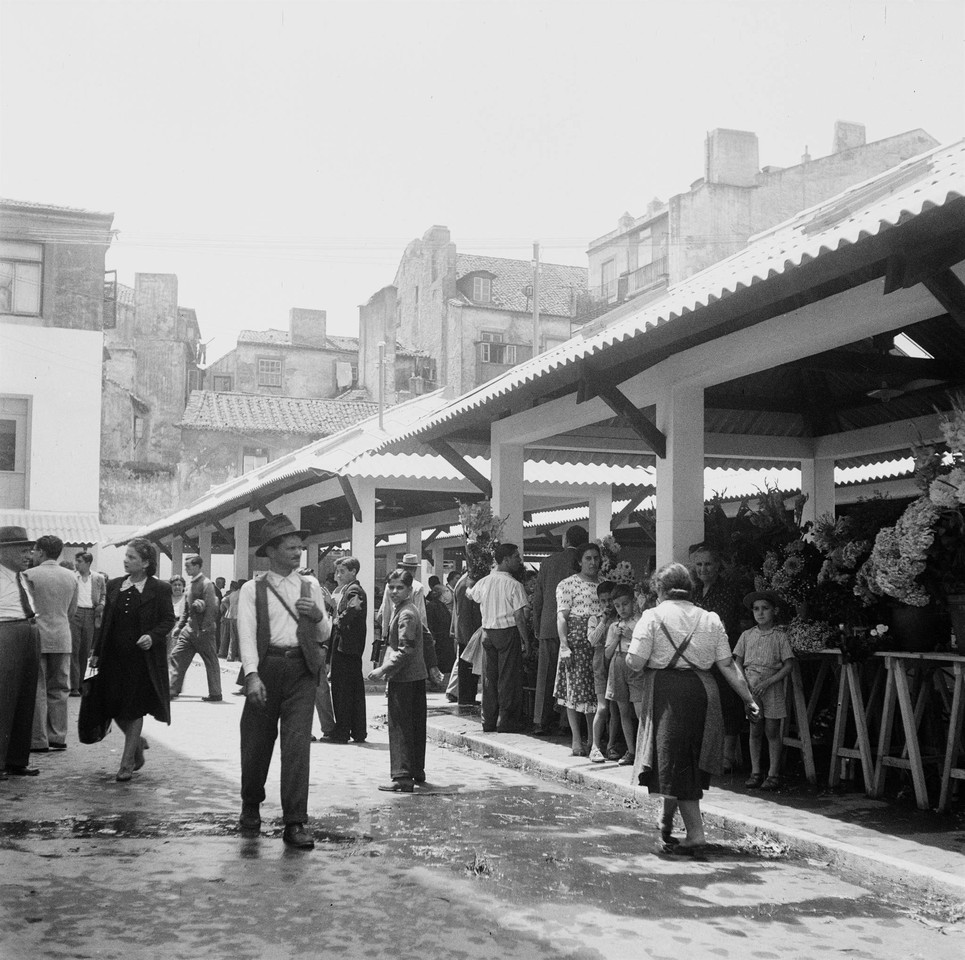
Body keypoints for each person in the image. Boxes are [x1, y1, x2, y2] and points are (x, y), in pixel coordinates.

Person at [626, 563, 759, 855]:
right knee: (684, 757)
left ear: (660, 590)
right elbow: (726, 664)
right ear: (690, 588)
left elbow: (635, 662)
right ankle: (667, 818)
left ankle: (696, 834)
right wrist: (748, 698)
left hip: (668, 693)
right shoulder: (710, 619)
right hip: (704, 692)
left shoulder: (652, 616)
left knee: (677, 759)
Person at [236, 515, 331, 849]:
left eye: (300, 547)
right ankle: (251, 805)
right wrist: (251, 675)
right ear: (271, 551)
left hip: (301, 672)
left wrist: (318, 616)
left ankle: (295, 823)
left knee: (296, 748)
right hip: (266, 669)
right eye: (290, 547)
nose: (298, 553)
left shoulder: (311, 587)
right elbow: (246, 635)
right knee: (256, 744)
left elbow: (324, 633)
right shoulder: (252, 589)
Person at [90, 539, 176, 782]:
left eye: (132, 558)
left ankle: (127, 763)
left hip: (141, 661)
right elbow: (106, 623)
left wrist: (152, 636)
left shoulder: (159, 589)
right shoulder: (115, 585)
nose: (125, 560)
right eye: (126, 556)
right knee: (112, 706)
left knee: (134, 707)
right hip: (112, 657)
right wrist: (95, 652)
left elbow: (169, 619)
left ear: (146, 563)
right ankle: (136, 742)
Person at [367, 568, 443, 792]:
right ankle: (416, 771)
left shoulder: (406, 613)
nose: (394, 591)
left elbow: (406, 649)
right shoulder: (406, 610)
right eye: (391, 587)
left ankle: (402, 776)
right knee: (415, 726)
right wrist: (431, 665)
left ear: (410, 589)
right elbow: (427, 638)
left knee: (400, 726)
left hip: (404, 678)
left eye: (400, 587)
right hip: (415, 677)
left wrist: (383, 670)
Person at [690, 543, 746, 772]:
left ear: (717, 565)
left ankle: (727, 756)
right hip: (697, 656)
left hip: (722, 655)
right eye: (699, 564)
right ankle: (704, 753)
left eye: (708, 564)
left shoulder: (728, 591)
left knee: (727, 704)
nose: (703, 569)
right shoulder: (692, 591)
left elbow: (721, 624)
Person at [468, 543, 532, 734]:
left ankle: (488, 721)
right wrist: (525, 641)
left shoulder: (484, 582)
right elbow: (520, 616)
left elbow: (470, 595)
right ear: (505, 560)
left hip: (488, 633)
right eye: (516, 557)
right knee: (508, 679)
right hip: (507, 632)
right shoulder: (514, 585)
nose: (519, 560)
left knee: (489, 679)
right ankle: (507, 722)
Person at [532, 525, 588, 735]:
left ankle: (540, 720)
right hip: (574, 628)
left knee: (545, 676)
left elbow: (538, 598)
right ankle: (566, 723)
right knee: (570, 675)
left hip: (549, 625)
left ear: (565, 540)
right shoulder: (583, 563)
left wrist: (537, 627)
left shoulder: (548, 562)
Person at [735, 591, 794, 792]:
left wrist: (769, 681)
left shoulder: (779, 636)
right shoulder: (747, 635)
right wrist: (744, 685)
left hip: (772, 686)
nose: (760, 613)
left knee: (772, 730)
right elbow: (737, 662)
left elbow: (788, 665)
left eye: (765, 608)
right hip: (752, 687)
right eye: (756, 609)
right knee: (755, 729)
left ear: (774, 611)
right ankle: (756, 772)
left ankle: (773, 774)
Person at [25, 535, 78, 754]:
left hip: (37, 635)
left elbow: (26, 609)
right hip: (62, 636)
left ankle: (39, 738)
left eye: (35, 551)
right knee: (60, 688)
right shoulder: (71, 577)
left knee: (38, 687)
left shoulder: (29, 575)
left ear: (41, 552)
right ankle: (58, 736)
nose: (32, 554)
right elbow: (72, 611)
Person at [553, 541, 604, 756]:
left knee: (595, 692)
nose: (593, 562)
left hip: (599, 641)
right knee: (575, 690)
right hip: (575, 641)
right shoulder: (568, 584)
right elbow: (561, 617)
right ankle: (576, 739)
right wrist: (564, 645)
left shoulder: (605, 584)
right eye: (588, 558)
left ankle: (594, 741)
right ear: (580, 561)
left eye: (596, 558)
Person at [0, 526, 41, 780]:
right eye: (23, 550)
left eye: (30, 551)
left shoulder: (23, 577)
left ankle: (17, 760)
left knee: (26, 699)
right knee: (3, 699)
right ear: (5, 551)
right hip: (5, 633)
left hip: (29, 632)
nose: (29, 555)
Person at [169, 555, 223, 702]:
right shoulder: (188, 586)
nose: (186, 568)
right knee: (176, 656)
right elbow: (186, 610)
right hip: (189, 630)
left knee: (210, 660)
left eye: (189, 566)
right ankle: (172, 689)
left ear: (198, 566)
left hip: (203, 631)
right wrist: (180, 627)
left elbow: (212, 608)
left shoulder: (207, 584)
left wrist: (204, 628)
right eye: (186, 566)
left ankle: (216, 693)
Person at [326, 557, 368, 744]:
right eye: (337, 571)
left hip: (346, 648)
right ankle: (358, 731)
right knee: (354, 691)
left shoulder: (353, 590)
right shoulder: (348, 590)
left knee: (342, 691)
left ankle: (342, 731)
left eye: (342, 571)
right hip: (350, 648)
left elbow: (352, 610)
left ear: (353, 572)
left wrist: (337, 619)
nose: (338, 575)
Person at [604, 584, 640, 766]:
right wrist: (617, 637)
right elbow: (607, 654)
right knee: (623, 711)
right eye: (617, 606)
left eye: (625, 604)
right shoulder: (613, 627)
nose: (622, 609)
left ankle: (644, 750)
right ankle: (631, 750)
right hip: (617, 664)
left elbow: (644, 646)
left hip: (634, 665)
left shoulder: (639, 622)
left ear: (633, 602)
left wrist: (631, 635)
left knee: (640, 710)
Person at [588, 580, 620, 762]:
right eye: (604, 601)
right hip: (600, 663)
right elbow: (592, 640)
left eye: (610, 600)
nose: (608, 604)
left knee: (615, 708)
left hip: (615, 662)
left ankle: (611, 745)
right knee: (602, 707)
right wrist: (604, 621)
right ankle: (595, 746)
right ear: (599, 602)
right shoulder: (595, 618)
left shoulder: (620, 618)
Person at [69, 552, 105, 697]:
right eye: (76, 561)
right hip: (75, 613)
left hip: (91, 614)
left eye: (79, 561)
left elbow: (103, 594)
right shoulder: (72, 576)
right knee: (74, 650)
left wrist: (101, 604)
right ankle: (73, 686)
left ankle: (80, 683)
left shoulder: (98, 578)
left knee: (85, 651)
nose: (76, 564)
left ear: (88, 563)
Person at [446, 567, 481, 705]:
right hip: (467, 632)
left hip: (465, 631)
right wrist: (468, 635)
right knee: (467, 668)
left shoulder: (464, 581)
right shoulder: (466, 583)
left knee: (466, 667)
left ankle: (466, 697)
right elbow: (464, 613)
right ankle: (466, 698)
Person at [425, 580, 454, 675]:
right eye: (446, 591)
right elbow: (430, 623)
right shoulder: (432, 606)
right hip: (439, 641)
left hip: (445, 640)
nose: (448, 593)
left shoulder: (442, 606)